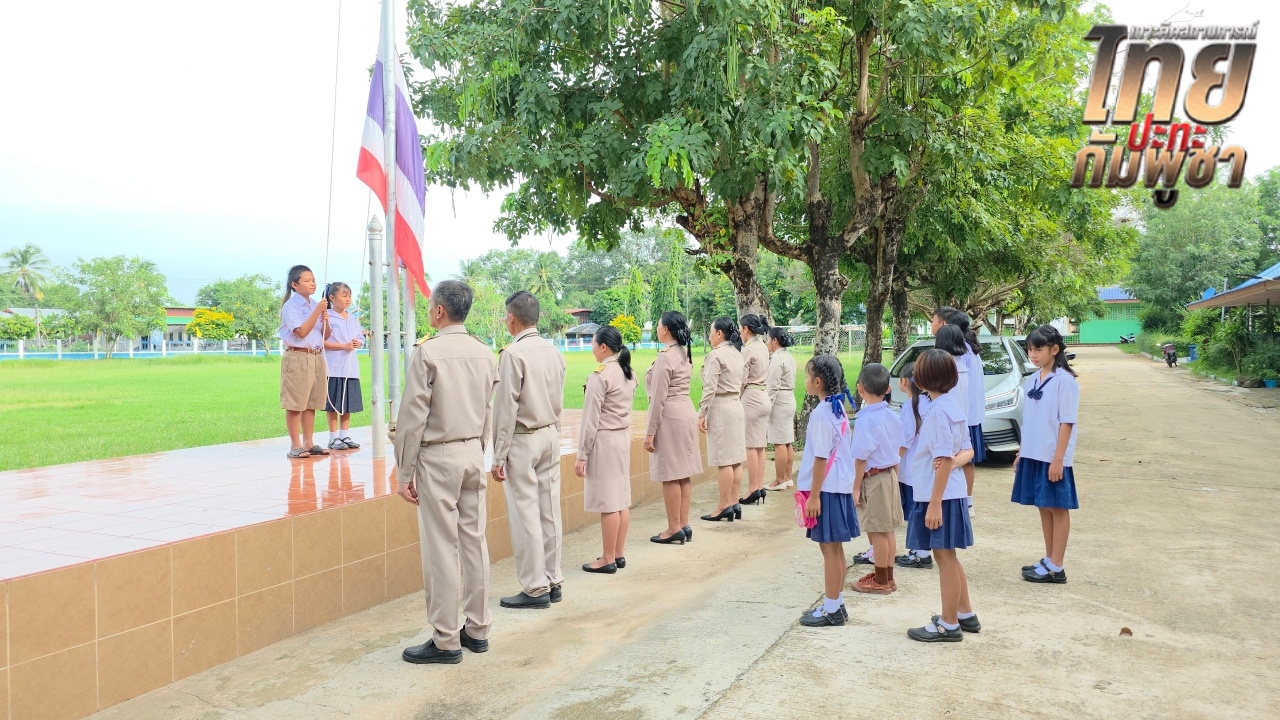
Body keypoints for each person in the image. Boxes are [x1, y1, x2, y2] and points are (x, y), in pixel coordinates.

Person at [394, 280, 499, 664]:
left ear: (440, 311)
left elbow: (412, 418)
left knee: (442, 546)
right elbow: (489, 409)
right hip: (472, 451)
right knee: (474, 541)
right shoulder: (485, 353)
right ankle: (478, 628)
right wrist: (481, 450)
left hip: (439, 456)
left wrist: (404, 471)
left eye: (430, 307)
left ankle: (445, 639)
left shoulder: (429, 353)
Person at [490, 291, 567, 608]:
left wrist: (498, 454)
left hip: (523, 438)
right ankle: (553, 578)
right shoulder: (553, 351)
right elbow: (560, 401)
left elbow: (505, 408)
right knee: (549, 511)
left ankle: (535, 587)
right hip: (549, 433)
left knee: (526, 515)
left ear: (511, 318)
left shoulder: (513, 354)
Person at [904, 349, 977, 642]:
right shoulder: (951, 405)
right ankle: (964, 613)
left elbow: (944, 459)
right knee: (949, 556)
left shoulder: (936, 412)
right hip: (949, 492)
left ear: (922, 380)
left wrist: (934, 505)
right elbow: (963, 452)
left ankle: (948, 624)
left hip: (940, 496)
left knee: (944, 558)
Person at [1011, 325, 1080, 584]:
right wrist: (1021, 451)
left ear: (1054, 349)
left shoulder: (1065, 381)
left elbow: (1067, 422)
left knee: (1058, 508)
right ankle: (1049, 558)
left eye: (1038, 349)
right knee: (1043, 505)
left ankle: (1057, 565)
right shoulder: (1033, 379)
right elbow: (1028, 419)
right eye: (1029, 349)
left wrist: (1059, 459)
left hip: (1053, 456)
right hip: (1034, 453)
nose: (1033, 354)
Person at [796, 355, 859, 627]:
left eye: (807, 376)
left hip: (827, 490)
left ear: (817, 381)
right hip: (838, 486)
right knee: (835, 548)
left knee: (829, 549)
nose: (805, 380)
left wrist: (813, 495)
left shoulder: (822, 413)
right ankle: (837, 602)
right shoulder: (837, 407)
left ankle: (832, 608)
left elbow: (820, 458)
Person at [576, 325, 638, 574]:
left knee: (609, 503)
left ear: (603, 347)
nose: (592, 349)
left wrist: (582, 454)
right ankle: (618, 553)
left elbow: (590, 420)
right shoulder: (628, 372)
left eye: (592, 344)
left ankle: (608, 558)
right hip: (621, 438)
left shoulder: (600, 375)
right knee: (621, 499)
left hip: (604, 442)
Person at [644, 311, 703, 545]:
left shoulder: (665, 357)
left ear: (665, 329)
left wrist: (650, 432)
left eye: (658, 325)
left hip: (669, 416)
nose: (657, 329)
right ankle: (683, 523)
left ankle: (673, 528)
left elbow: (658, 398)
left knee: (670, 474)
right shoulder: (683, 352)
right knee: (683, 472)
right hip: (685, 411)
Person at [848, 363, 904, 595]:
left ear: (860, 389)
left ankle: (881, 580)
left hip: (874, 478)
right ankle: (887, 575)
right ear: (888, 389)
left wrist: (855, 489)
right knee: (887, 530)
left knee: (878, 531)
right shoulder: (893, 417)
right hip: (890, 474)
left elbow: (860, 458)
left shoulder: (865, 421)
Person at [933, 307, 986, 514]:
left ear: (944, 324)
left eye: (934, 320)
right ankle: (967, 501)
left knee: (959, 459)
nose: (932, 324)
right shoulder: (968, 346)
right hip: (969, 413)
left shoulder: (959, 349)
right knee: (965, 459)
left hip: (962, 414)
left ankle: (964, 500)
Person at [278, 265, 331, 459]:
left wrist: (325, 318)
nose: (312, 284)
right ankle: (295, 444)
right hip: (298, 356)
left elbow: (326, 335)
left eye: (313, 280)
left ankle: (308, 442)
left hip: (316, 356)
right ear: (294, 284)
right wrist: (317, 311)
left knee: (311, 402)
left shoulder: (315, 304)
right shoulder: (291, 307)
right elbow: (300, 332)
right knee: (295, 402)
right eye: (307, 280)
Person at [698, 317, 747, 522]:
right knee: (735, 458)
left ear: (719, 334)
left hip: (721, 406)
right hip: (736, 403)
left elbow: (710, 386)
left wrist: (702, 412)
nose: (709, 336)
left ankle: (723, 504)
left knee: (724, 460)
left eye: (711, 332)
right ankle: (733, 502)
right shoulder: (737, 353)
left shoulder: (716, 355)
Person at [894, 363, 934, 569]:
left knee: (916, 511)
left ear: (904, 382)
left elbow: (904, 440)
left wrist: (893, 462)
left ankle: (921, 553)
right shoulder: (929, 402)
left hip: (912, 468)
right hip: (927, 467)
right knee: (921, 509)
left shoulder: (911, 406)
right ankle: (920, 550)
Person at [322, 282, 364, 451]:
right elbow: (322, 342)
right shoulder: (327, 316)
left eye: (349, 296)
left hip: (350, 367)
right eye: (344, 296)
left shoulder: (353, 317)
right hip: (333, 366)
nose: (348, 299)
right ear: (332, 298)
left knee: (347, 403)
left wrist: (357, 342)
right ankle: (333, 437)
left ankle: (344, 434)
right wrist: (343, 346)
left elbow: (360, 338)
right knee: (332, 403)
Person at [737, 314, 772, 506]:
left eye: (741, 329)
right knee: (760, 445)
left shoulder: (748, 350)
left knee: (751, 445)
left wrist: (736, 396)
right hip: (764, 396)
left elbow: (742, 378)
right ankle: (758, 486)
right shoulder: (764, 347)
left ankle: (752, 487)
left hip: (751, 396)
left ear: (746, 330)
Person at [763, 327, 797, 491]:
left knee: (779, 443)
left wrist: (766, 406)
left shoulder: (777, 359)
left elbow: (773, 386)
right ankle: (787, 477)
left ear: (775, 340)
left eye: (768, 339)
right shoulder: (788, 356)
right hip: (789, 398)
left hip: (779, 401)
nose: (767, 343)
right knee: (787, 441)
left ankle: (779, 480)